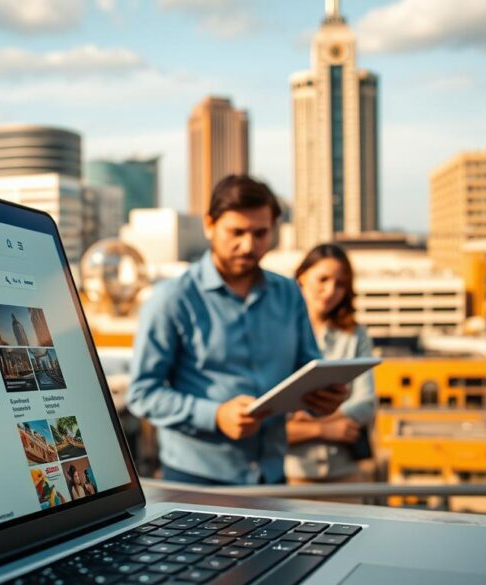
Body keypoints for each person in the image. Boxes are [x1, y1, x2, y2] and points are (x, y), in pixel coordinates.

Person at [127, 175, 349, 485]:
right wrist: (214, 415)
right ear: (209, 226)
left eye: (260, 233)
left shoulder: (289, 293)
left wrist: (325, 395)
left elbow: (307, 368)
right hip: (196, 481)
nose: (249, 245)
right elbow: (142, 394)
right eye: (237, 232)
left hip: (272, 476)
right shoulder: (172, 299)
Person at [285, 244, 377, 484]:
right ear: (301, 276)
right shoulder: (277, 331)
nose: (330, 291)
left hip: (344, 471)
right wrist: (326, 429)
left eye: (340, 284)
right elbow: (271, 419)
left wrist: (308, 421)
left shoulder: (354, 335)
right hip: (289, 473)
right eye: (323, 279)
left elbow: (366, 404)